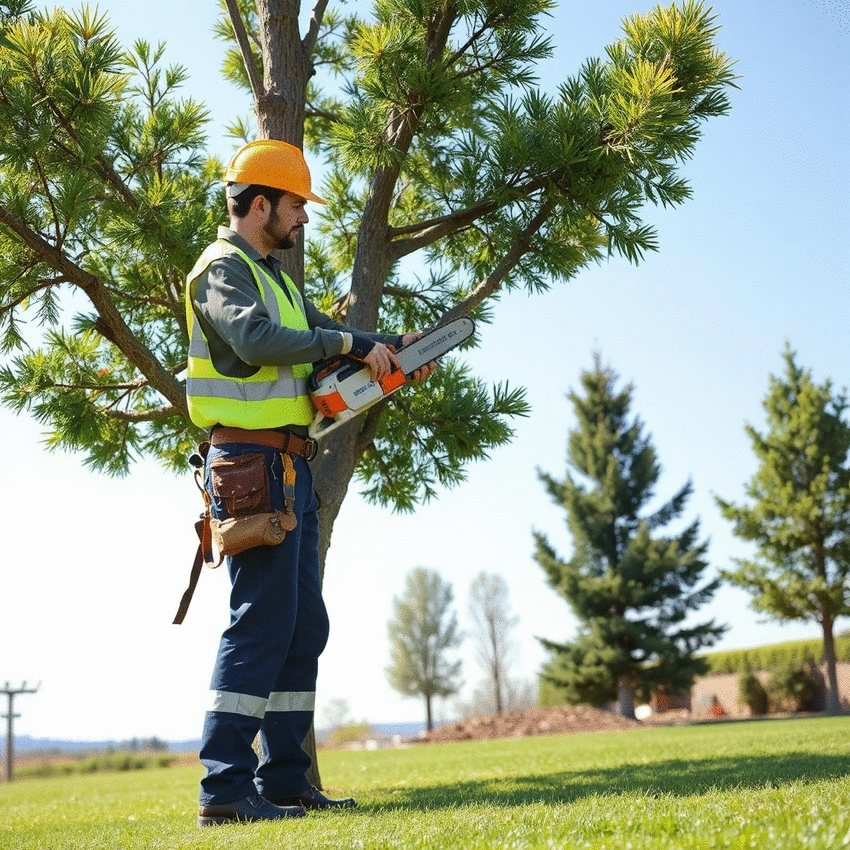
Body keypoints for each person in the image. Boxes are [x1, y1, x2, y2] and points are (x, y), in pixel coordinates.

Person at [185, 139, 434, 827]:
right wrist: (342, 344)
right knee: (260, 623)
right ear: (259, 203)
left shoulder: (280, 280)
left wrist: (390, 350)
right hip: (250, 464)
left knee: (300, 625)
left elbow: (333, 334)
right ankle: (225, 788)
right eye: (296, 204)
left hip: (290, 467)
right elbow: (259, 341)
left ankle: (287, 781)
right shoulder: (222, 269)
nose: (303, 217)